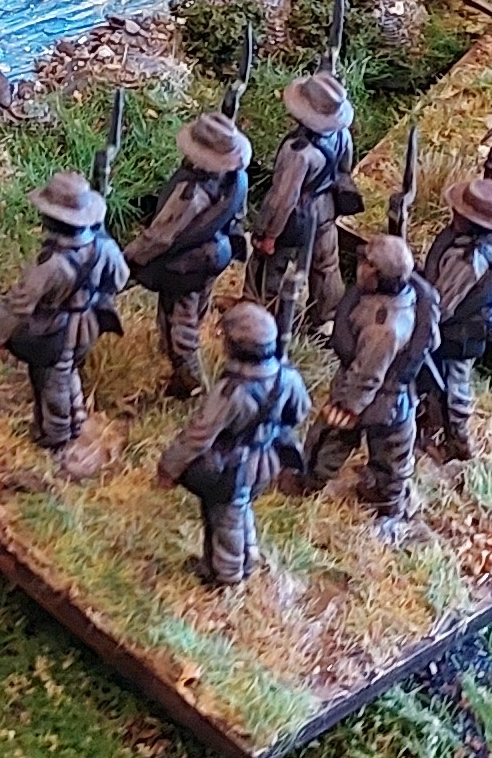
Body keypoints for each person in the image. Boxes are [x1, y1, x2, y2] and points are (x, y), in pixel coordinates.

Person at [157, 301, 310, 588]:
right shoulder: (288, 377)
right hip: (267, 458)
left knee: (225, 518)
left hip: (233, 466)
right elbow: (300, 411)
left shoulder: (231, 391)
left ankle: (226, 576)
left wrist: (170, 465)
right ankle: (247, 556)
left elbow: (199, 434)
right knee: (241, 508)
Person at [0, 170, 128, 450]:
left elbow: (20, 304)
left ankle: (57, 434)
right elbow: (120, 279)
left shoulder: (50, 264)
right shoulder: (105, 247)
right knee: (68, 370)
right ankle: (76, 416)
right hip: (89, 322)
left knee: (52, 381)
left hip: (56, 329)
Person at [302, 234, 438, 519]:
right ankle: (386, 494)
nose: (360, 265)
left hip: (375, 397)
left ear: (377, 274)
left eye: (366, 263)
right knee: (393, 451)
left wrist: (347, 406)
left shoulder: (383, 329)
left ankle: (310, 480)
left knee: (333, 436)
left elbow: (367, 373)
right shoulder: (407, 295)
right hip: (395, 396)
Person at [121, 110, 252, 397]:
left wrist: (128, 258)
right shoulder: (236, 180)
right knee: (196, 306)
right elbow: (238, 217)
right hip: (215, 253)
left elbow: (160, 236)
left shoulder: (191, 193)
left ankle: (190, 379)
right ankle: (176, 355)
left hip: (188, 264)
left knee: (179, 321)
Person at [414, 171, 492, 463]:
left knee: (454, 386)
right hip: (461, 322)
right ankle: (433, 419)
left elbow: (442, 306)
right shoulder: (480, 243)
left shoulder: (468, 262)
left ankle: (458, 441)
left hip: (460, 331)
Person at [250, 69, 355, 337]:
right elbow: (344, 169)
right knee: (326, 264)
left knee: (269, 265)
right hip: (326, 206)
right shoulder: (341, 135)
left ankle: (259, 313)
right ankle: (327, 316)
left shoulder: (297, 152)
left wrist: (269, 233)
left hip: (297, 216)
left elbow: (283, 198)